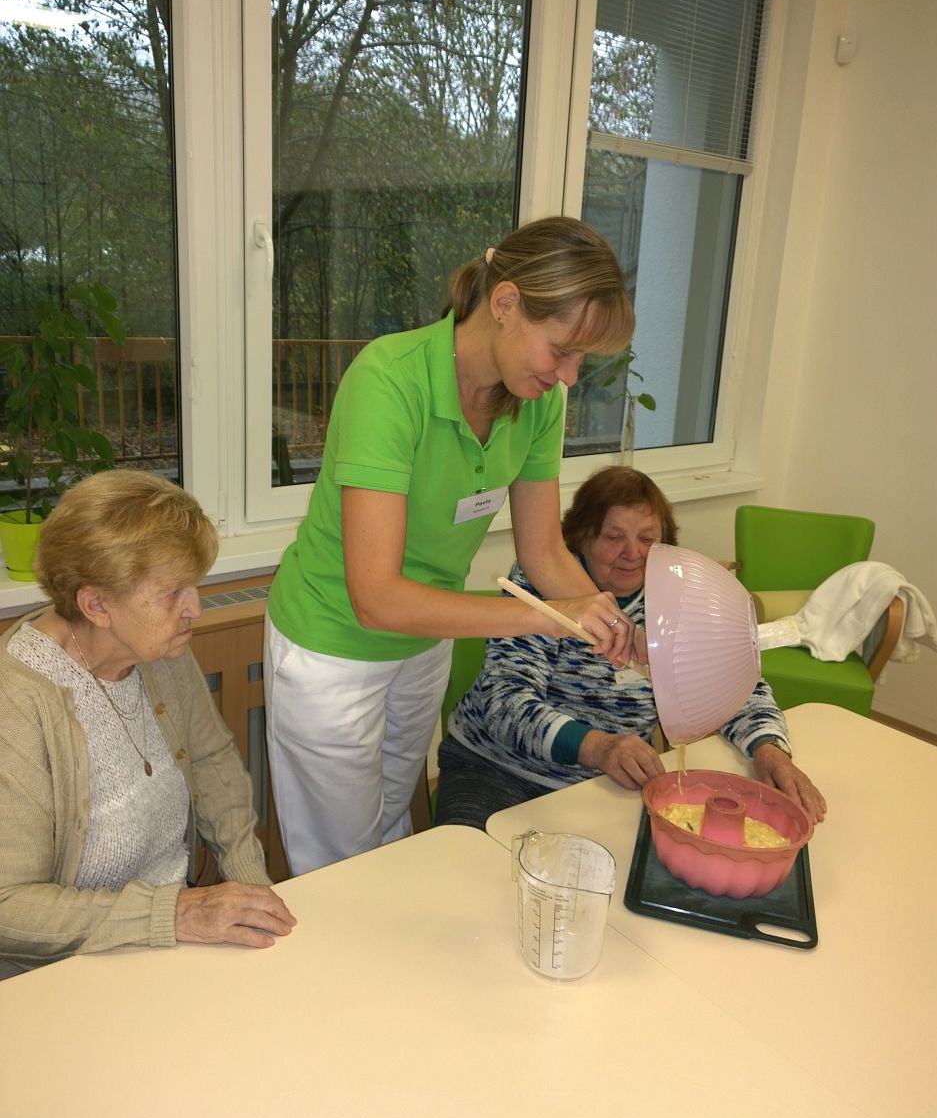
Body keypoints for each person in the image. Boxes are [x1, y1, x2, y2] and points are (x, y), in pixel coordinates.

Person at [265, 216, 640, 875]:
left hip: (424, 640)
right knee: (339, 868)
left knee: (392, 829)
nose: (569, 376)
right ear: (506, 304)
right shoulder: (390, 380)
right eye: (562, 350)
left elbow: (545, 554)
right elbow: (377, 598)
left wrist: (609, 620)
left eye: (582, 359)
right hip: (334, 646)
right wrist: (546, 616)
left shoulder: (537, 400)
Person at [0, 470, 296, 980]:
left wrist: (250, 886)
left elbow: (212, 763)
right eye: (172, 593)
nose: (195, 608)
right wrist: (177, 913)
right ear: (96, 605)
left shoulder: (155, 650)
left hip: (169, 937)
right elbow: (10, 906)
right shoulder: (17, 705)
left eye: (194, 586)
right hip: (63, 969)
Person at [435, 466, 828, 830]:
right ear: (580, 537)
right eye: (613, 537)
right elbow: (506, 704)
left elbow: (734, 685)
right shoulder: (539, 584)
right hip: (495, 769)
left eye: (647, 538)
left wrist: (769, 748)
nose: (632, 553)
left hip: (605, 785)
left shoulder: (682, 600)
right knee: (472, 870)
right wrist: (597, 747)